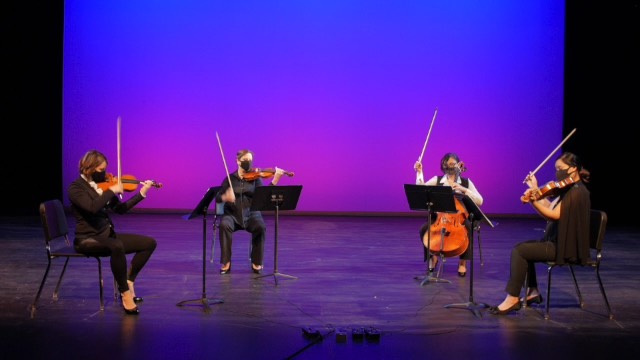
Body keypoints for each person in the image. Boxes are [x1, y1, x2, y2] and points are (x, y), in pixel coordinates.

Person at [489, 152, 591, 315]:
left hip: (565, 248)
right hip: (558, 242)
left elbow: (554, 215)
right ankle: (532, 292)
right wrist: (534, 190)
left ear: (573, 169)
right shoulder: (568, 189)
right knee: (525, 247)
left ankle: (512, 298)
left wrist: (533, 201)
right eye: (556, 169)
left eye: (560, 168)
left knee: (520, 251)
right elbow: (551, 207)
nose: (557, 172)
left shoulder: (577, 192)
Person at [68, 150, 158, 315]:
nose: (104, 175)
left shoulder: (104, 185)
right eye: (101, 171)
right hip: (87, 239)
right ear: (89, 169)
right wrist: (111, 190)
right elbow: (92, 207)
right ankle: (125, 294)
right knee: (116, 246)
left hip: (106, 236)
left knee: (148, 243)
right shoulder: (76, 188)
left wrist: (142, 193)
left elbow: (120, 209)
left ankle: (129, 282)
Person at [414, 152, 484, 277]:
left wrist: (463, 190)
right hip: (440, 218)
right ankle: (433, 256)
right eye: (447, 164)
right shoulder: (438, 180)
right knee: (424, 229)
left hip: (459, 220)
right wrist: (419, 172)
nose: (450, 166)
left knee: (468, 227)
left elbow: (480, 200)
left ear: (458, 165)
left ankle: (462, 262)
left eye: (453, 163)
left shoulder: (466, 182)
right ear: (444, 166)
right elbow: (421, 191)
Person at [216, 149, 285, 275]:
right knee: (224, 225)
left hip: (252, 213)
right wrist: (225, 197)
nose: (248, 163)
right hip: (232, 214)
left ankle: (257, 261)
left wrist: (275, 180)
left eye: (250, 160)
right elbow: (218, 197)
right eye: (245, 160)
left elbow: (264, 196)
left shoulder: (255, 178)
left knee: (260, 227)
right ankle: (226, 262)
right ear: (238, 161)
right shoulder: (229, 179)